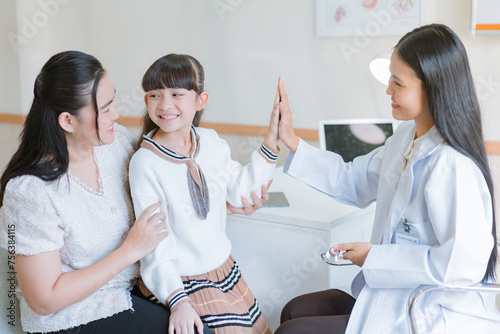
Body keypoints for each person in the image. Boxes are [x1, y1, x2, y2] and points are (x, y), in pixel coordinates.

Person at [0, 51, 268, 334]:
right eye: (104, 109)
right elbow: (44, 300)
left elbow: (160, 199)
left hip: (135, 289)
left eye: (112, 100)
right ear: (67, 121)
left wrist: (218, 205)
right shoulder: (30, 192)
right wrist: (128, 251)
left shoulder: (116, 146)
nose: (116, 114)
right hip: (74, 316)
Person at [274, 24, 498, 333]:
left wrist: (374, 257)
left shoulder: (451, 166)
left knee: (292, 331)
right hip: (390, 294)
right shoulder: (405, 138)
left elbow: (461, 265)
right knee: (295, 310)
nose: (388, 91)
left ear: (432, 88)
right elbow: (354, 180)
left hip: (429, 312)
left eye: (397, 82)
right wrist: (293, 142)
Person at [128, 54, 279, 334]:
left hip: (224, 271)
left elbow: (241, 191)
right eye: (154, 95)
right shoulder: (145, 163)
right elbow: (153, 243)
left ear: (200, 100)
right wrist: (178, 302)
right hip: (180, 282)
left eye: (177, 94)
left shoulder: (209, 140)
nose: (164, 105)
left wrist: (272, 138)